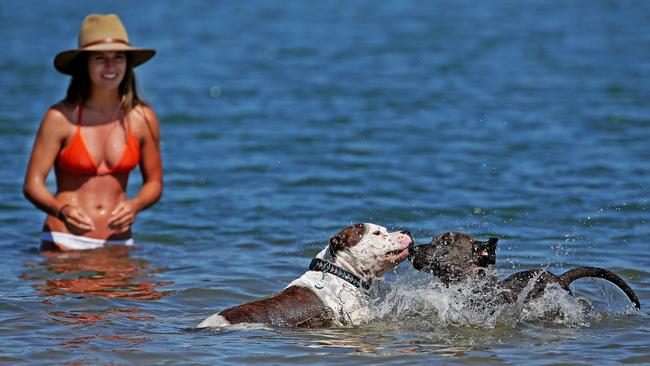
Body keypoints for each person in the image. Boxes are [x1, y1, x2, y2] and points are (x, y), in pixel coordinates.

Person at [23, 13, 162, 251]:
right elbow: (32, 184)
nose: (110, 66)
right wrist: (61, 210)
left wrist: (135, 205)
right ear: (84, 64)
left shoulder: (142, 118)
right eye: (100, 58)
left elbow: (155, 183)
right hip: (64, 240)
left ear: (127, 63)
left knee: (155, 289)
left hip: (118, 242)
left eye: (118, 57)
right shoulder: (60, 117)